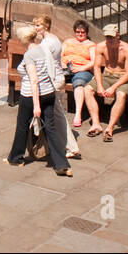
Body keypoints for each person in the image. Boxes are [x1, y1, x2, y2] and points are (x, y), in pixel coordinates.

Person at [6, 22, 73, 177]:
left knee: (22, 126)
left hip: (31, 96)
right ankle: (62, 164)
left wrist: (36, 105)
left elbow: (34, 81)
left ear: (23, 39)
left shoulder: (29, 55)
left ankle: (16, 158)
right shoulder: (43, 48)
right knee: (51, 129)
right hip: (49, 93)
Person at [34, 15, 80, 161]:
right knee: (55, 113)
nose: (35, 28)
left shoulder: (47, 43)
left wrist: (45, 81)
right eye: (35, 25)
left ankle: (69, 147)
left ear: (45, 26)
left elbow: (47, 65)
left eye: (38, 25)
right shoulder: (54, 39)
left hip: (51, 80)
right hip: (57, 79)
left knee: (55, 115)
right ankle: (53, 144)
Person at [90, 23, 128, 143]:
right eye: (107, 37)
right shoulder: (101, 47)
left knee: (121, 95)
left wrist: (114, 88)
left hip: (121, 79)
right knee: (87, 89)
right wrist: (99, 85)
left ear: (118, 36)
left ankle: (110, 128)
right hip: (106, 75)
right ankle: (96, 124)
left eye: (111, 37)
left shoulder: (127, 49)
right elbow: (97, 67)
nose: (109, 40)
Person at [62, 20, 99, 131]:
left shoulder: (91, 45)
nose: (80, 34)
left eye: (82, 32)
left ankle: (78, 115)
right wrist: (62, 63)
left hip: (84, 70)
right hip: (66, 69)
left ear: (86, 33)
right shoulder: (68, 42)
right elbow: (59, 55)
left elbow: (94, 62)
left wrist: (80, 68)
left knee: (78, 84)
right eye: (78, 32)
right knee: (53, 79)